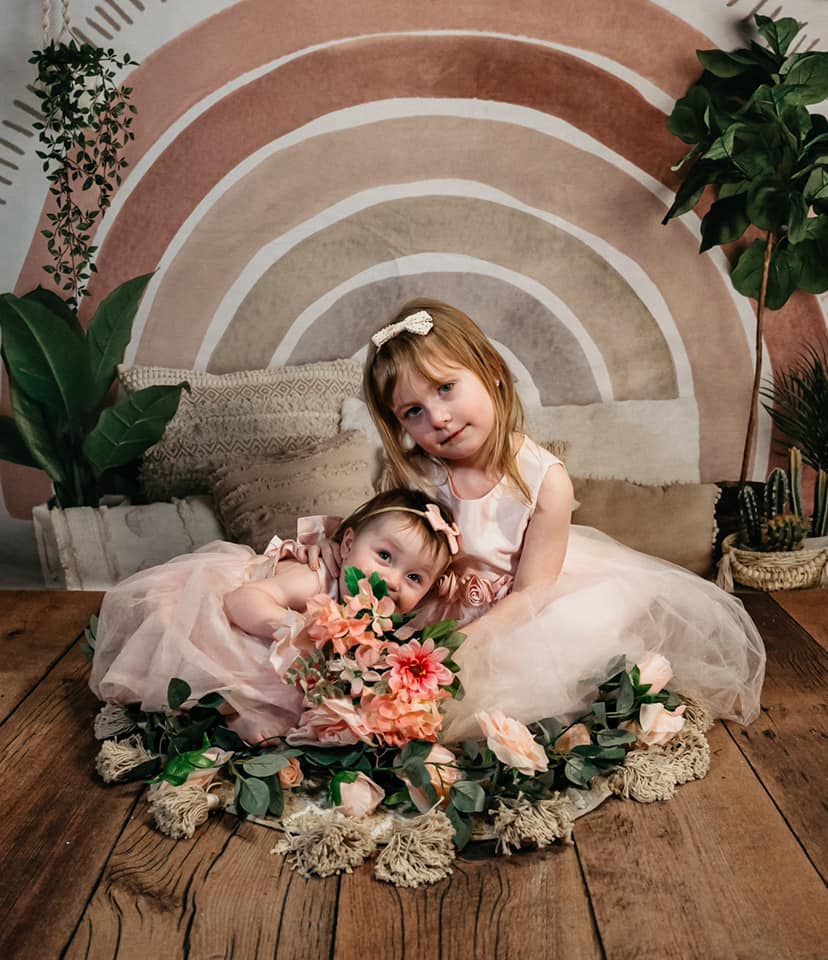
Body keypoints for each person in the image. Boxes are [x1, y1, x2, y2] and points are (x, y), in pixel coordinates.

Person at [362, 298, 766, 741]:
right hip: (436, 603)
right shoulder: (416, 474)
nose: (437, 417)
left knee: (524, 684)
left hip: (520, 610)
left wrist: (463, 644)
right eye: (413, 412)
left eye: (445, 388)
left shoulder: (544, 479)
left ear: (492, 370)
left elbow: (534, 590)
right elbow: (387, 543)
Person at [90, 488, 459, 743]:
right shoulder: (317, 578)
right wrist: (290, 627)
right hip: (224, 617)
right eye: (384, 556)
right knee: (253, 665)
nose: (392, 580)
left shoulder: (386, 618)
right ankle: (231, 714)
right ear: (347, 545)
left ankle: (246, 718)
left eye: (414, 577)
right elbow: (240, 601)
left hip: (285, 656)